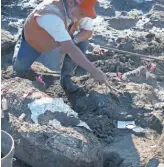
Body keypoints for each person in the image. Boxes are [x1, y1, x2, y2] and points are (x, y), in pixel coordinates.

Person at [12, 0, 107, 92]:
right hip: (33, 40)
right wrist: (94, 72)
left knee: (83, 42)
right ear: (70, 2)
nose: (82, 17)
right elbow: (70, 49)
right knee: (19, 70)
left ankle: (66, 78)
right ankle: (20, 43)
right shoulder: (50, 14)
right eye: (82, 14)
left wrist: (73, 41)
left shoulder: (81, 8)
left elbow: (87, 31)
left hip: (56, 40)